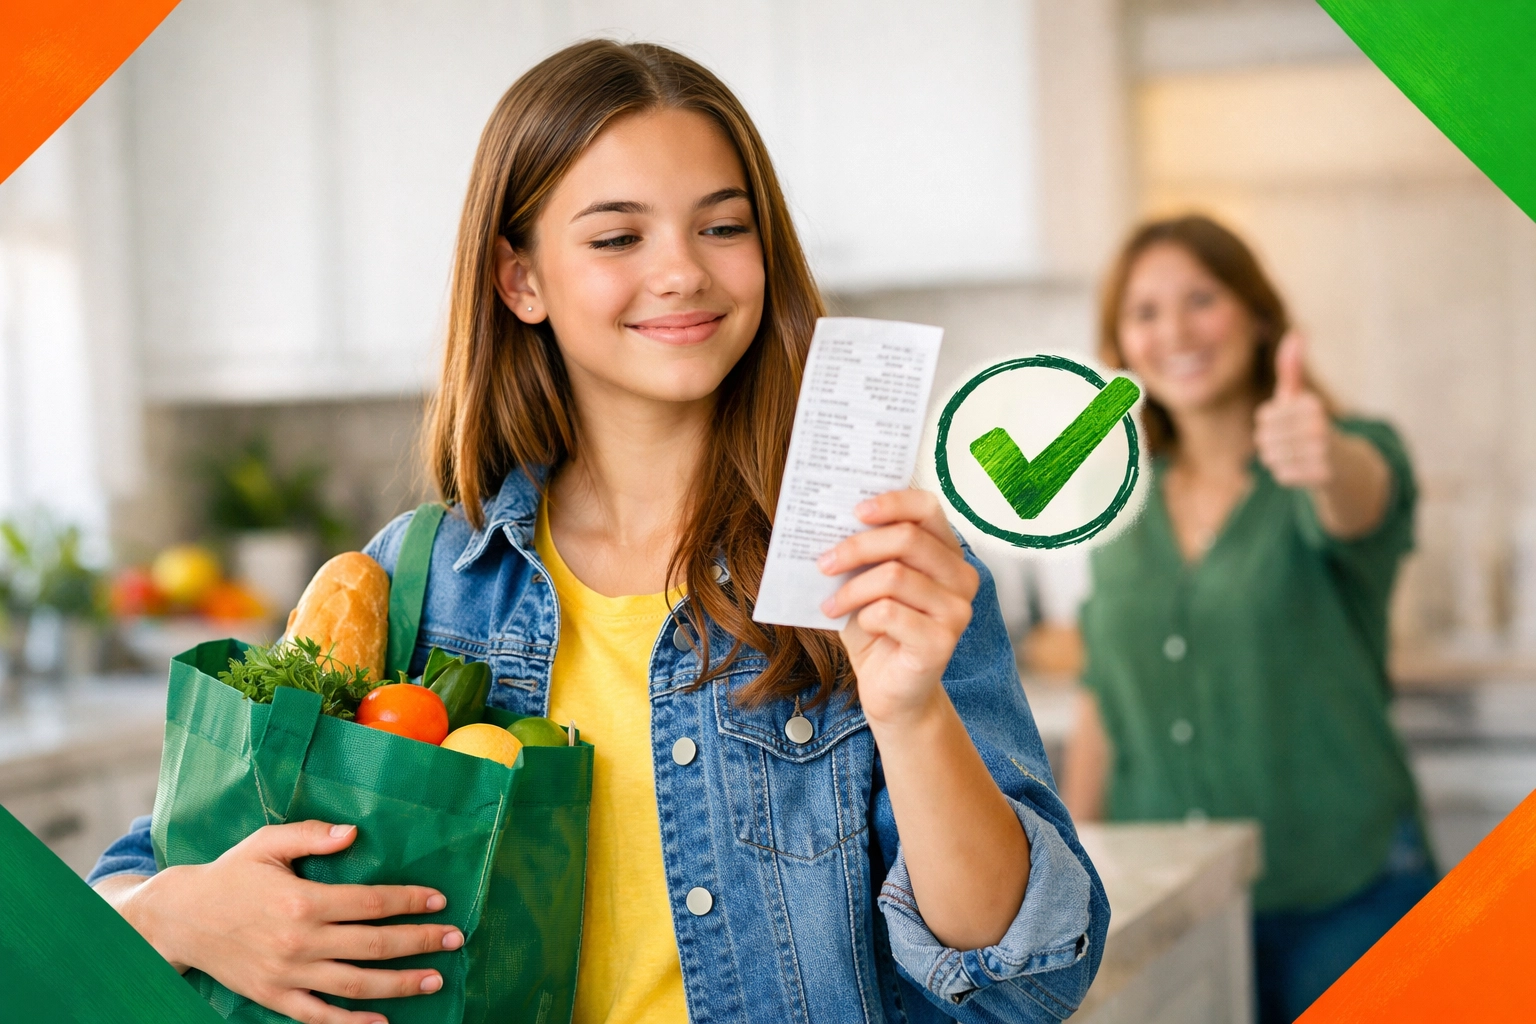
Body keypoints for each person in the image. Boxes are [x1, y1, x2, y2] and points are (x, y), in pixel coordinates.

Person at [89, 40, 1108, 1024]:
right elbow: (145, 872)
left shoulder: (879, 569)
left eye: (723, 226)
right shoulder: (419, 581)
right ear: (519, 279)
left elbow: (1026, 983)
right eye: (618, 237)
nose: (682, 273)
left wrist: (910, 710)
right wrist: (183, 913)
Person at [1060, 214, 1434, 1024]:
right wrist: (1072, 865)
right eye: (1145, 311)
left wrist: (1322, 456)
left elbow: (1359, 498)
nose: (1175, 331)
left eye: (1202, 298)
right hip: (1173, 909)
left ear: (1258, 316)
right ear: (1120, 347)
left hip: (1342, 887)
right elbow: (1103, 695)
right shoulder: (1116, 499)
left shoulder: (1340, 452)